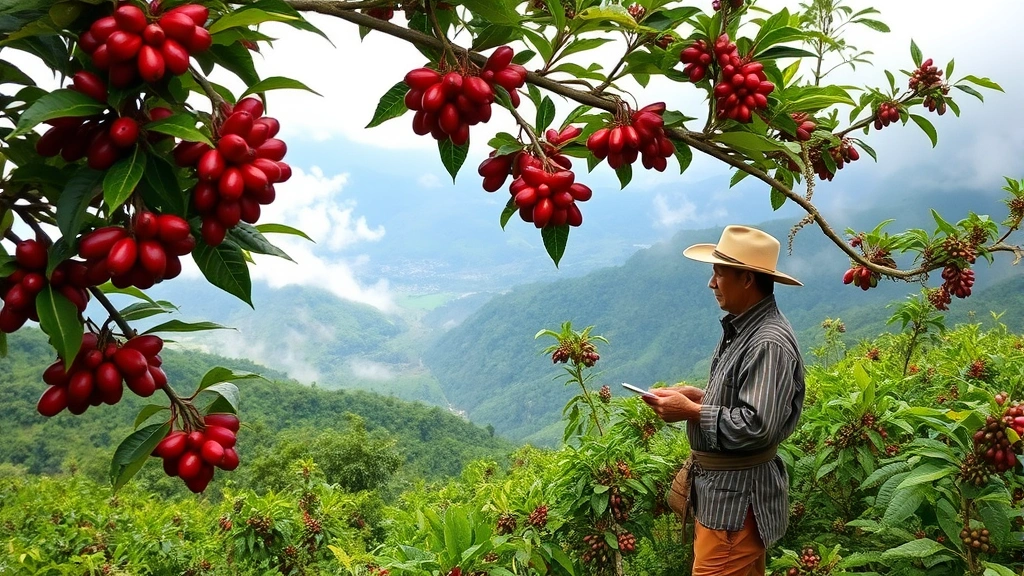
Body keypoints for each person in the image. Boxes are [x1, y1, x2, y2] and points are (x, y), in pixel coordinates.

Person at [643, 225, 806, 576]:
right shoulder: (742, 329)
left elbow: (757, 426)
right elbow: (745, 402)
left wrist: (690, 411)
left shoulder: (767, 342)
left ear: (747, 279)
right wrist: (696, 397)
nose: (711, 282)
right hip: (723, 499)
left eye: (719, 272)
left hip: (735, 502)